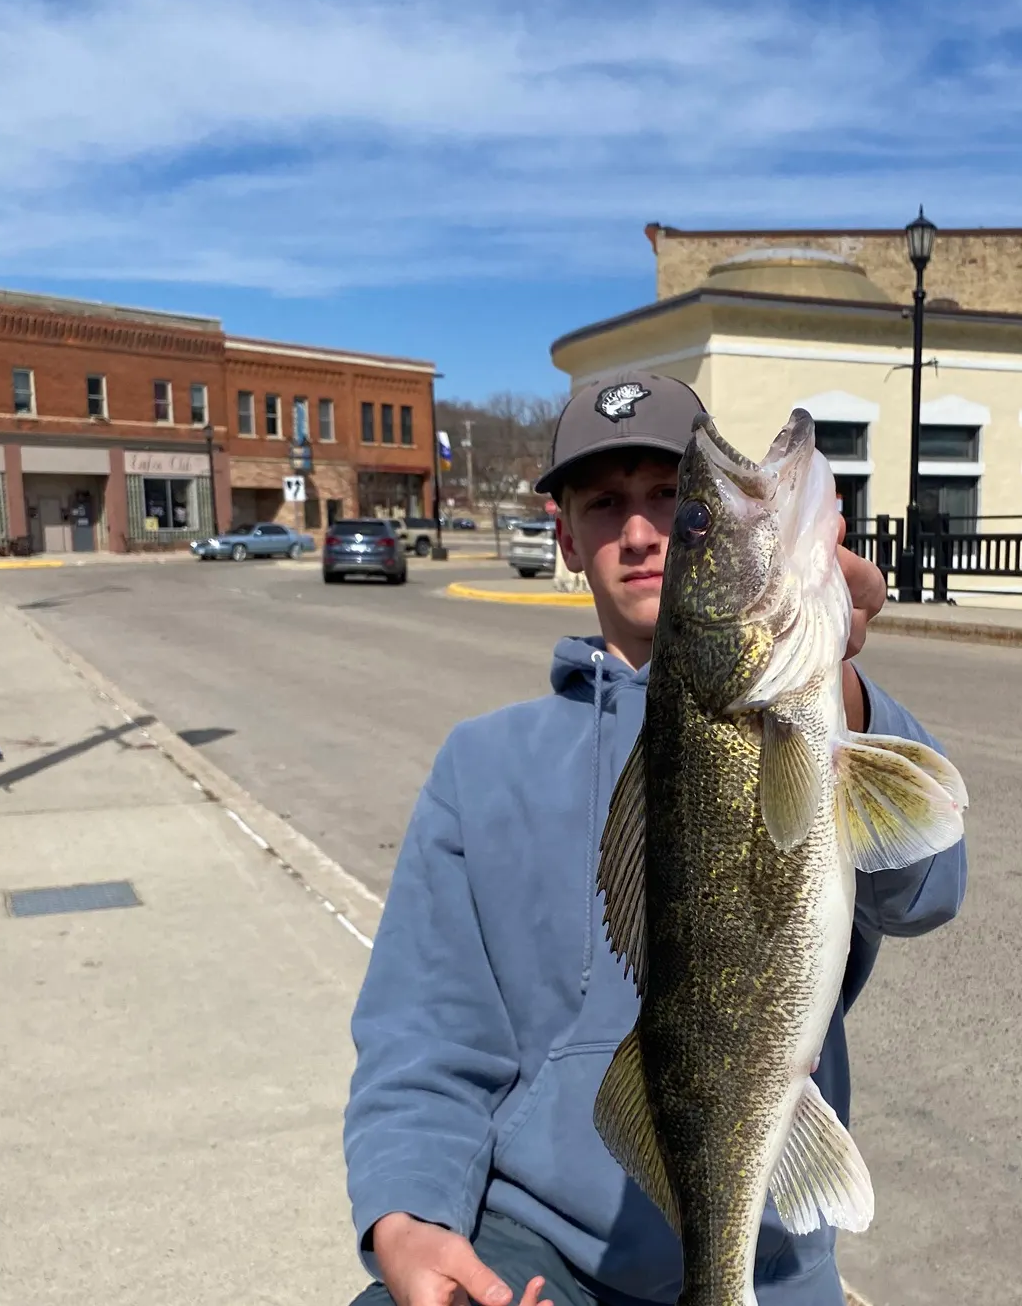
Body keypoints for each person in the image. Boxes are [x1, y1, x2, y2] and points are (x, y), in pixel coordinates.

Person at [344, 374, 968, 1306]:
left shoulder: (821, 718)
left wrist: (838, 685)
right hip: (534, 1246)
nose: (643, 532)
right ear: (564, 537)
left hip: (766, 1253)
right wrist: (407, 1215)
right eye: (604, 504)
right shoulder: (479, 766)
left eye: (676, 500)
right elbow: (425, 1032)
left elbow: (926, 891)